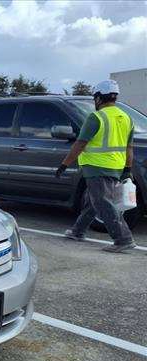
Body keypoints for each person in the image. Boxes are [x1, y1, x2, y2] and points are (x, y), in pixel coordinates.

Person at [55, 79, 135, 253]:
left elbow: (80, 143)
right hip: (116, 166)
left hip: (96, 166)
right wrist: (128, 169)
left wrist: (64, 164)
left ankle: (123, 239)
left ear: (99, 98)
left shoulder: (96, 117)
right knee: (93, 201)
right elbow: (129, 148)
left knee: (102, 203)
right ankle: (78, 231)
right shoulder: (126, 118)